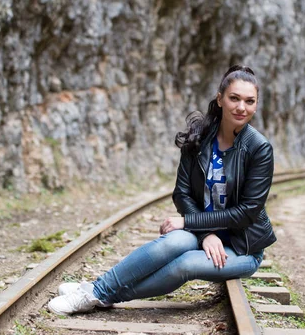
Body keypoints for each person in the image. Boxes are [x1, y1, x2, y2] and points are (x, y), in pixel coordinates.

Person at [48, 65, 276, 315]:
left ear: (256, 104)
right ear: (220, 99)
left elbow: (247, 212)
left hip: (242, 247)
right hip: (203, 232)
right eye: (234, 98)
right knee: (171, 243)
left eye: (249, 101)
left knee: (186, 263)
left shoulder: (259, 149)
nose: (241, 107)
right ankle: (96, 291)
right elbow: (182, 193)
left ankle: (97, 292)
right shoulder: (199, 138)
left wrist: (188, 221)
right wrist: (206, 233)